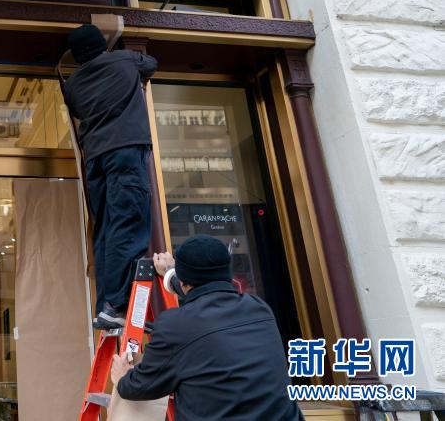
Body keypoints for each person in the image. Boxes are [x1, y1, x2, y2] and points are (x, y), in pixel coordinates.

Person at [110, 235, 303, 421]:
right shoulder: (259, 309)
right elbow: (206, 293)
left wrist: (123, 378)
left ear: (183, 280)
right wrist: (171, 273)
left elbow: (142, 386)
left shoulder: (175, 325)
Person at [61, 24, 158, 329]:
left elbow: (77, 110)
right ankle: (116, 304)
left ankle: (106, 304)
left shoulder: (72, 84)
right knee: (127, 222)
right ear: (102, 44)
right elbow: (151, 64)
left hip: (96, 159)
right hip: (125, 151)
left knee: (105, 229)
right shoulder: (124, 59)